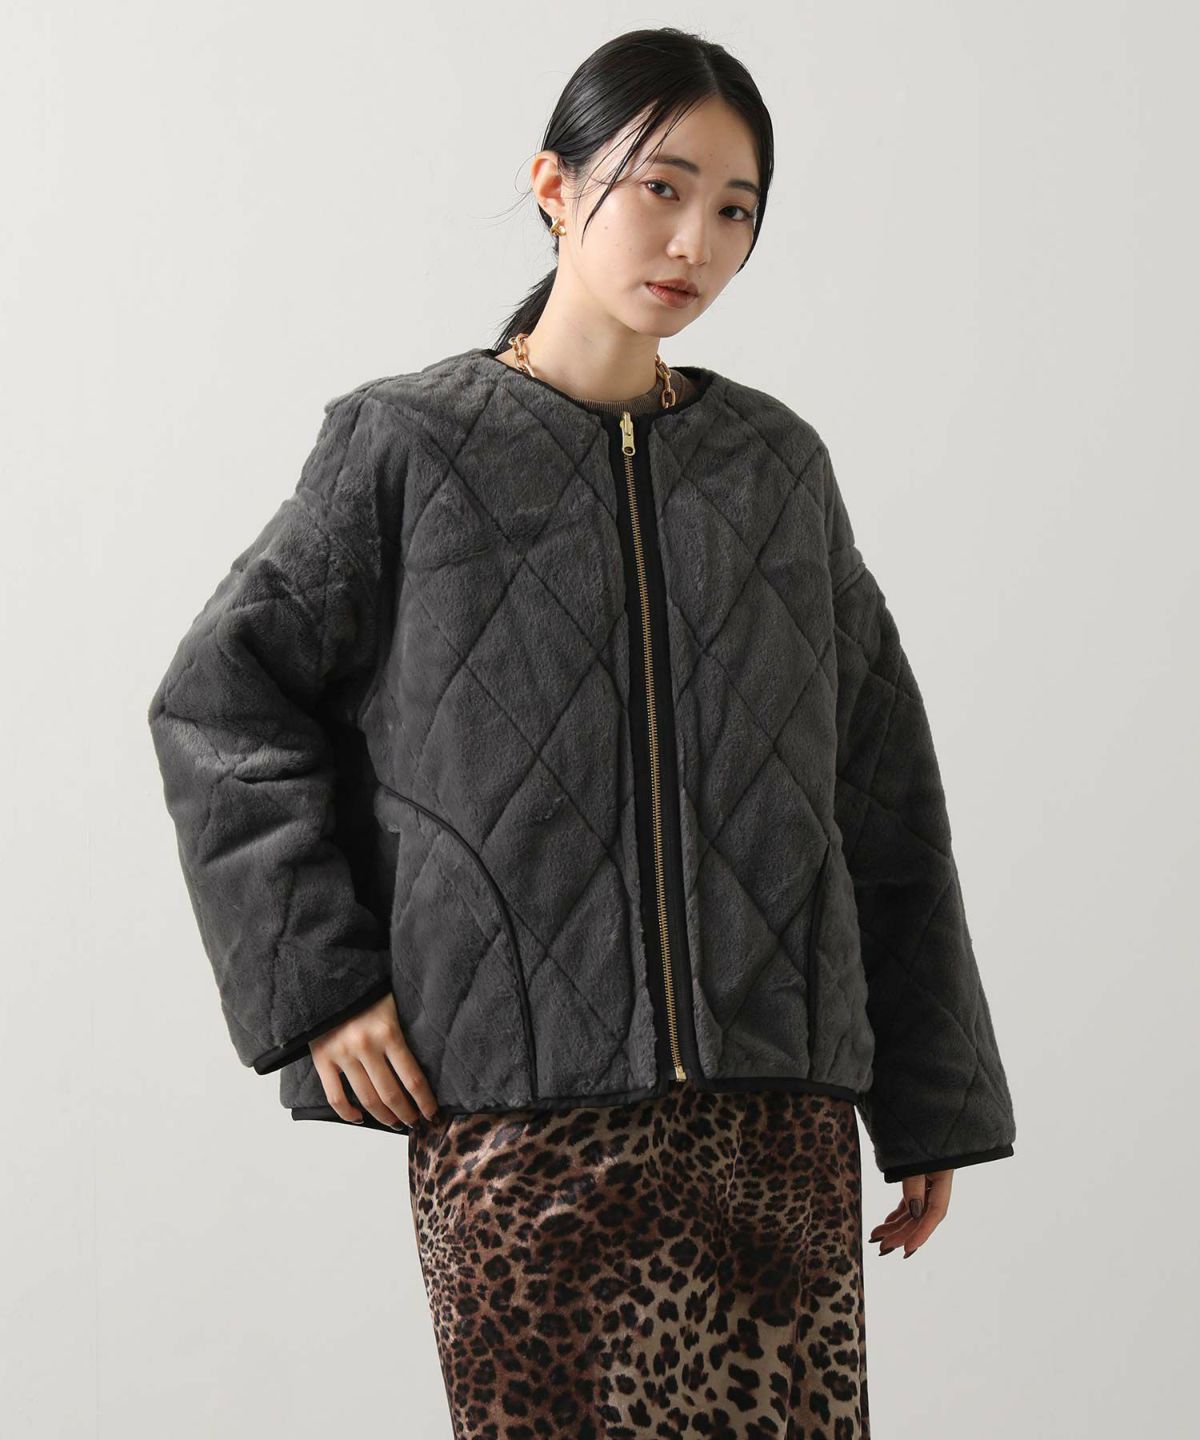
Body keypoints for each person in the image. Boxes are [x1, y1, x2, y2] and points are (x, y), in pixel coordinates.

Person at [148, 26, 1016, 1436]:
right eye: (660, 187)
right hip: (518, 1127)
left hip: (776, 1120)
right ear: (556, 187)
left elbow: (882, 788)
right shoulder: (406, 447)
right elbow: (220, 701)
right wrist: (320, 986)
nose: (695, 240)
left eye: (734, 209)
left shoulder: (777, 469)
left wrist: (933, 1097)